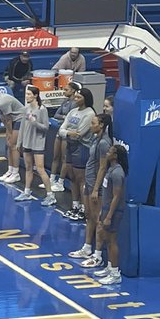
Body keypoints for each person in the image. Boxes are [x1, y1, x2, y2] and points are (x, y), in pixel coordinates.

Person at [71, 112, 113, 269]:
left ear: (101, 125)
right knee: (89, 216)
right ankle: (87, 248)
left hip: (97, 187)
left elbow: (102, 167)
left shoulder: (104, 143)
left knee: (98, 220)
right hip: (89, 183)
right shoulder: (96, 138)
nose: (90, 125)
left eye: (93, 123)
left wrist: (96, 188)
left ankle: (98, 255)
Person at [14, 85, 56, 206]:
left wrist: (34, 122)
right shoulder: (26, 109)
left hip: (37, 143)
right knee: (28, 168)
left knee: (40, 169)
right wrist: (19, 141)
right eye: (26, 94)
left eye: (29, 94)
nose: (26, 96)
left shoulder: (42, 110)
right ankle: (27, 192)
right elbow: (22, 126)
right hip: (27, 142)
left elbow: (45, 127)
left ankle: (50, 195)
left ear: (35, 96)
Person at [59, 88, 97, 221]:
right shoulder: (72, 112)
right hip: (70, 146)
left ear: (85, 99)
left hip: (82, 147)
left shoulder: (90, 113)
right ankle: (74, 205)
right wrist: (69, 132)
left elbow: (79, 134)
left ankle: (83, 208)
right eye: (75, 97)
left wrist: (68, 132)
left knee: (81, 179)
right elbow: (61, 130)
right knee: (72, 177)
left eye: (78, 97)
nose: (75, 100)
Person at [93, 142, 127, 286]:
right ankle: (109, 267)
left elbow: (116, 197)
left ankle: (115, 273)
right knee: (107, 239)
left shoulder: (118, 173)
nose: (107, 153)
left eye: (110, 152)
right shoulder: (110, 169)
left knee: (112, 241)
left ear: (115, 156)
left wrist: (108, 216)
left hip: (114, 211)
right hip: (106, 208)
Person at [0, 81, 24, 184]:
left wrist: (9, 133)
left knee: (13, 145)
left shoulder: (3, 102)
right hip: (11, 119)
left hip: (21, 118)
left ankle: (16, 174)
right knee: (8, 144)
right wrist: (7, 132)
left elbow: (8, 119)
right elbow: (2, 116)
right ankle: (10, 170)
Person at [49, 79, 79, 193]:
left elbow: (70, 118)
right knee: (55, 156)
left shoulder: (75, 103)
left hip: (67, 132)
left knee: (64, 158)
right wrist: (64, 117)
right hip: (60, 130)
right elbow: (56, 114)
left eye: (66, 89)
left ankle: (60, 183)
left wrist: (65, 117)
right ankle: (51, 180)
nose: (64, 91)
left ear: (73, 91)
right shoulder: (65, 101)